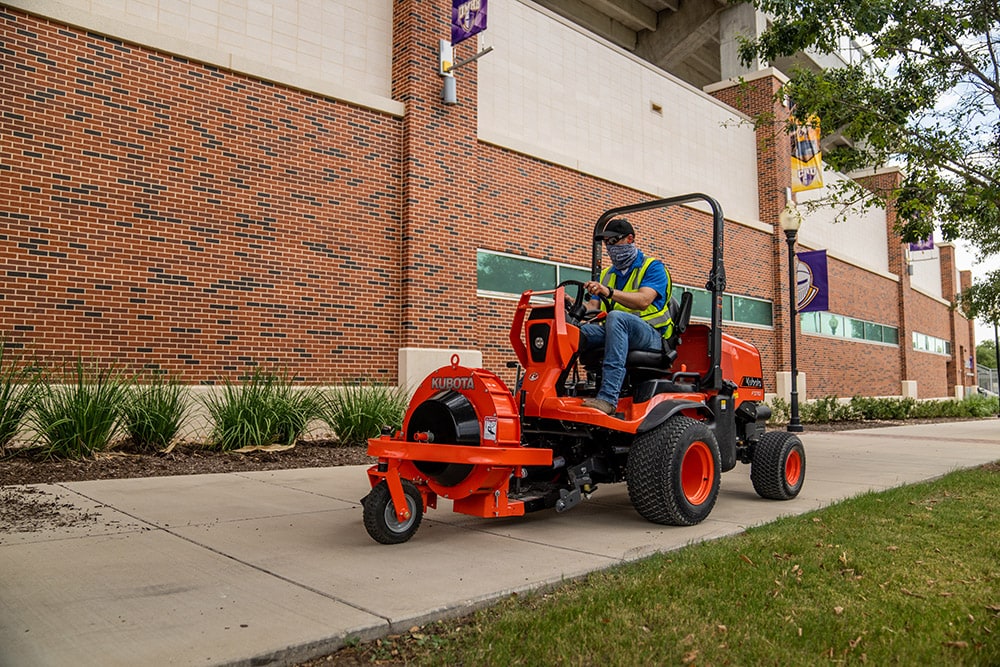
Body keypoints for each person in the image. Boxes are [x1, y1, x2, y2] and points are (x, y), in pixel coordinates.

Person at [579, 218, 673, 415]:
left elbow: (644, 300)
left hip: (651, 336)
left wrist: (609, 292)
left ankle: (608, 398)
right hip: (616, 332)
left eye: (614, 241)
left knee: (616, 317)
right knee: (575, 331)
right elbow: (593, 308)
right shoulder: (606, 274)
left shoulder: (652, 267)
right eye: (606, 243)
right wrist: (572, 303)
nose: (610, 248)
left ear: (630, 239)